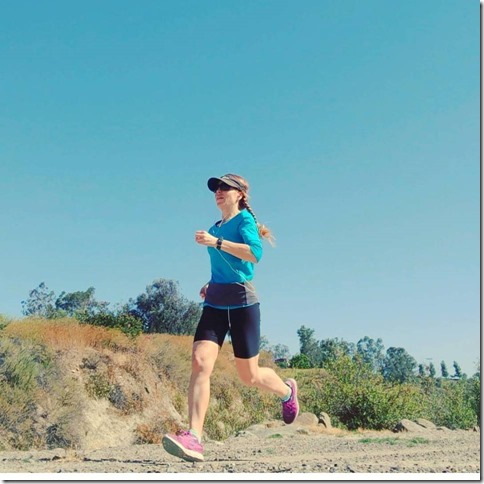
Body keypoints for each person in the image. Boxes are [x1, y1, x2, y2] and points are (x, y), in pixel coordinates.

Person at [162, 173, 299, 462]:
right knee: (200, 362)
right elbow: (224, 267)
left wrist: (217, 242)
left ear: (239, 194)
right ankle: (194, 437)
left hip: (242, 302)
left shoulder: (243, 222)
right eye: (216, 189)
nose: (219, 192)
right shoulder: (216, 227)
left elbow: (254, 255)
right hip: (215, 303)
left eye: (225, 187)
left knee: (248, 376)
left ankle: (287, 392)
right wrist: (210, 283)